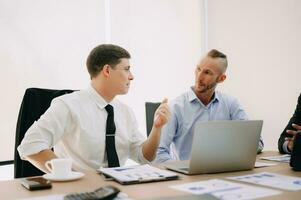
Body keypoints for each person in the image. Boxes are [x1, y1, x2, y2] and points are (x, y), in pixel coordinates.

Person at [18, 44, 170, 173]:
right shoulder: (67, 106)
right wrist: (67, 176)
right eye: (126, 69)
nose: (131, 76)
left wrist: (157, 128)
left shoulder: (125, 112)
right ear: (107, 70)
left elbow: (144, 157)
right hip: (79, 193)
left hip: (117, 190)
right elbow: (30, 146)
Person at [156, 49, 264, 163]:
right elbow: (159, 153)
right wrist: (182, 169)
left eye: (207, 72)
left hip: (224, 172)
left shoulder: (231, 104)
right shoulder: (176, 107)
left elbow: (257, 144)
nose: (199, 77)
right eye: (198, 69)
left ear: (221, 79)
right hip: (188, 177)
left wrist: (234, 148)